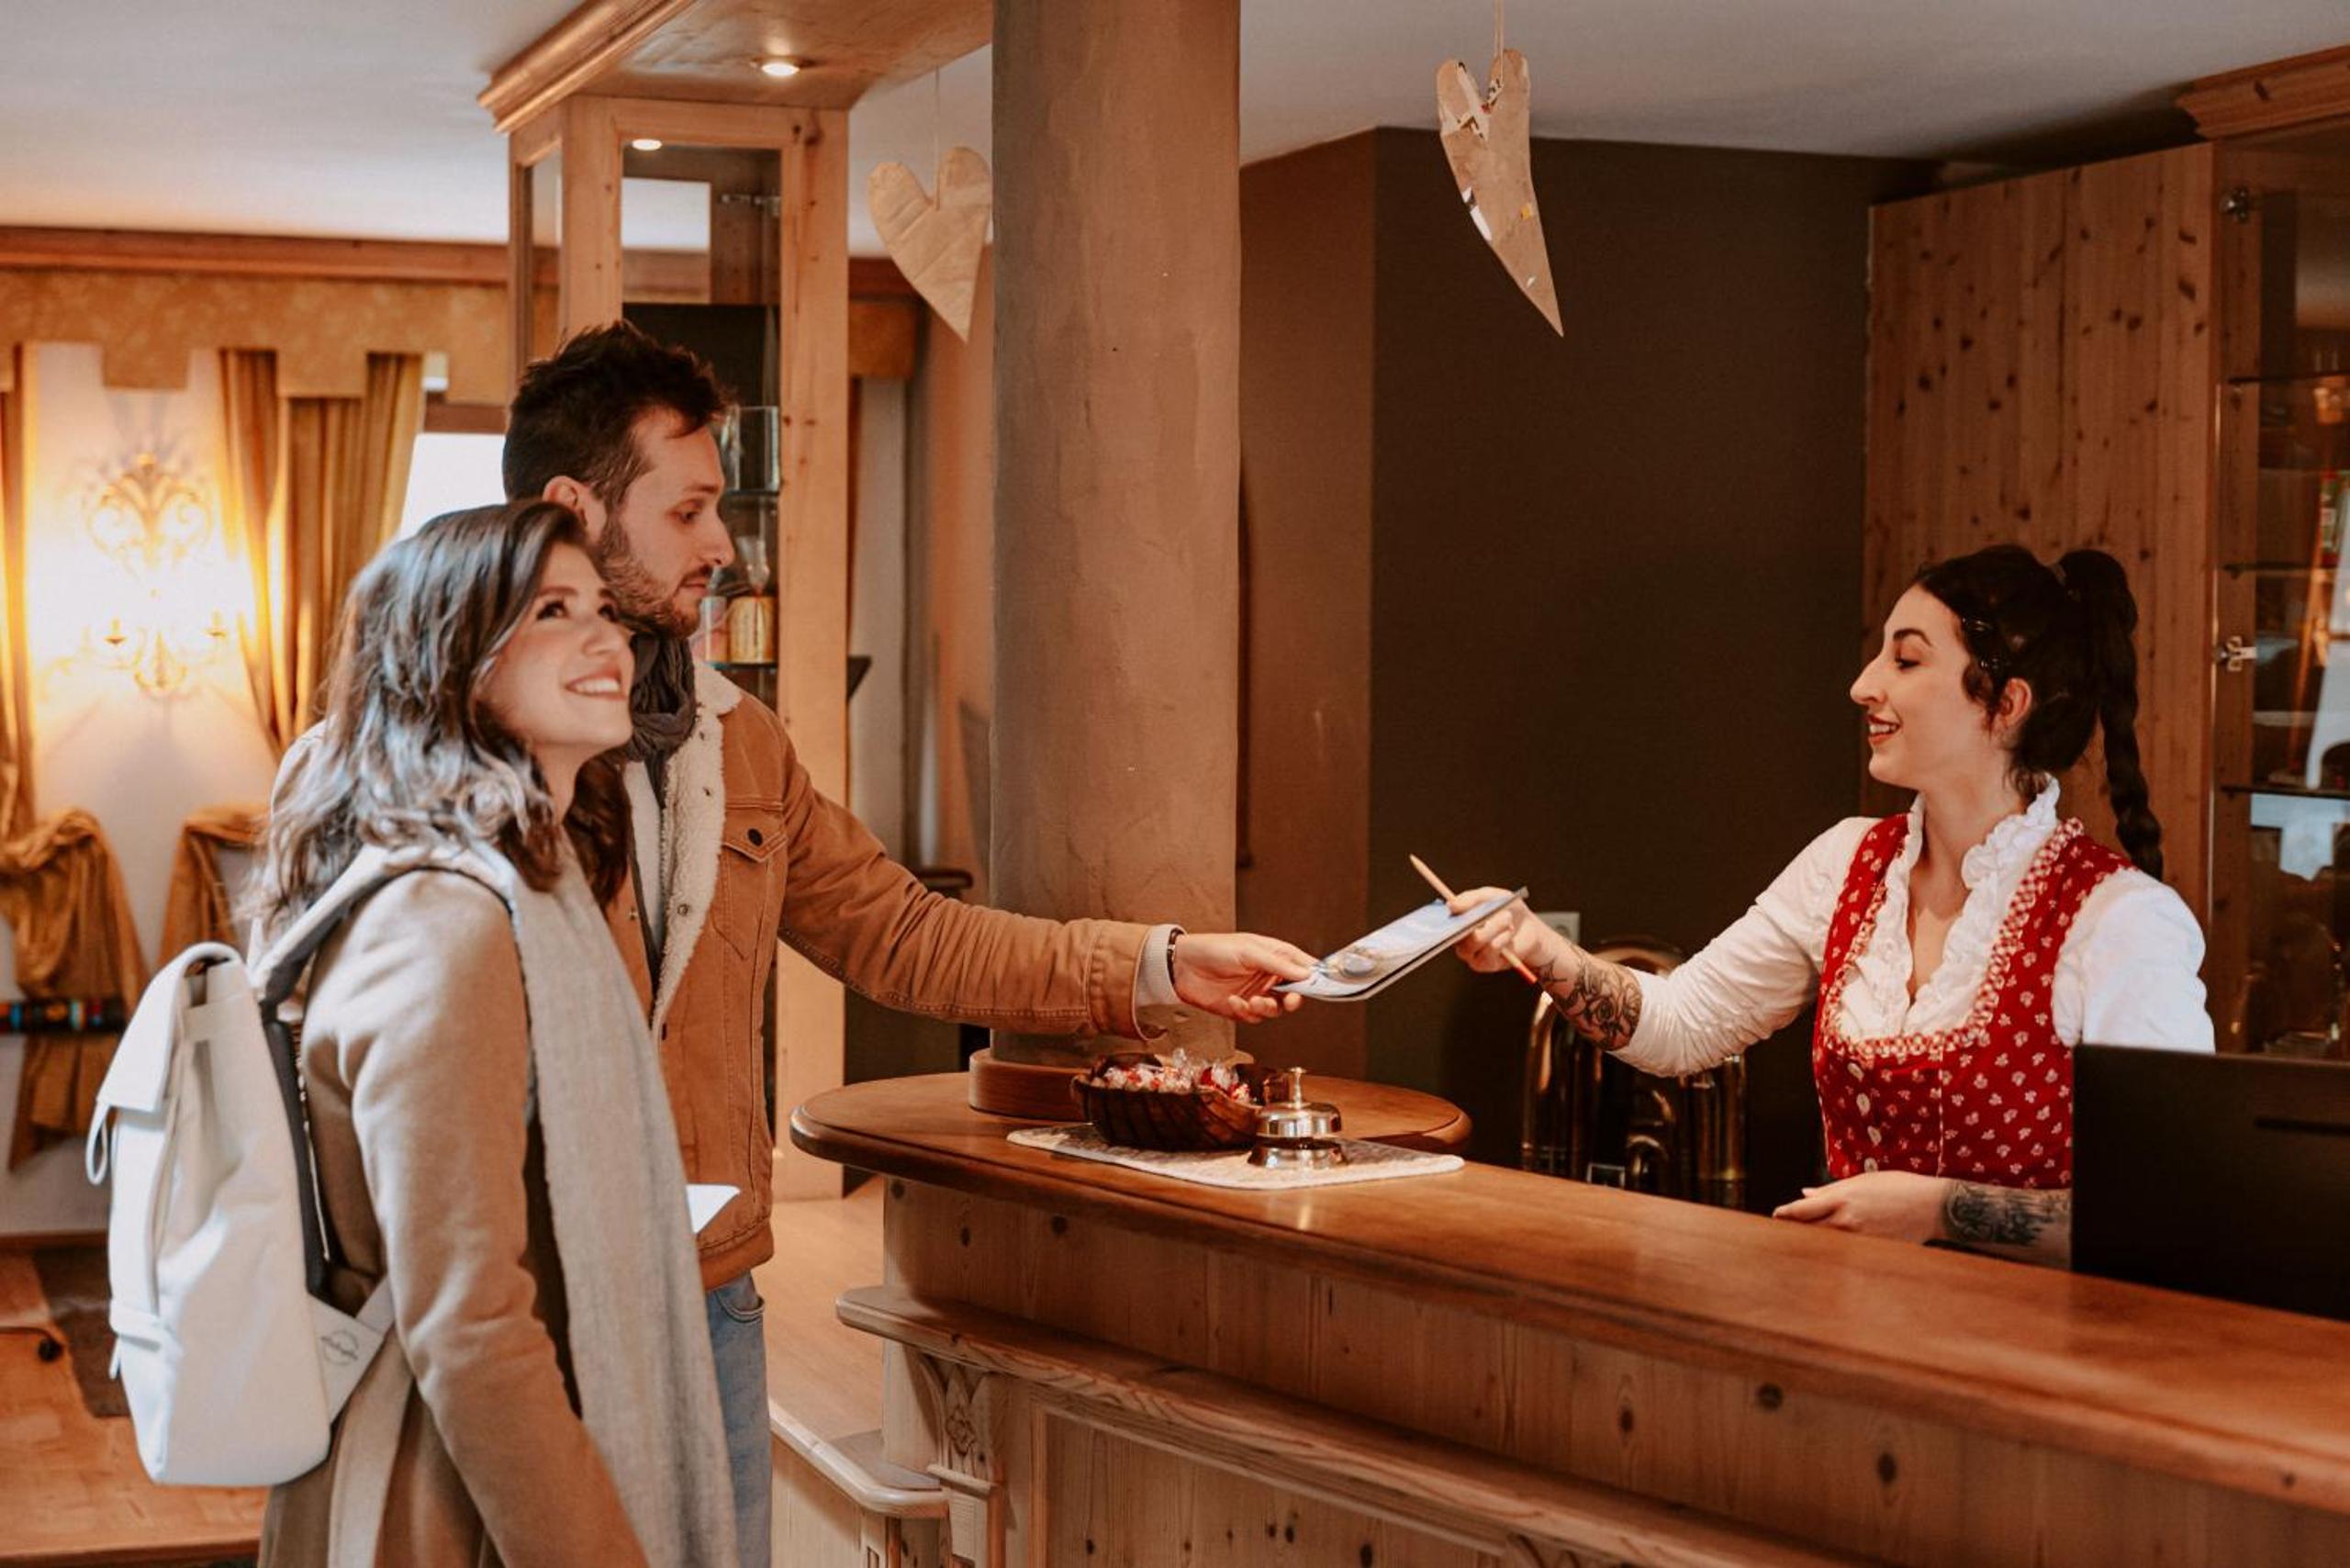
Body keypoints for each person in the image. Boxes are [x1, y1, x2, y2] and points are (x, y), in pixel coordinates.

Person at [501, 321, 1317, 1563]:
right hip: (532, 1301)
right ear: (574, 510)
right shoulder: (454, 757)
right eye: (689, 511)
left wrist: (1161, 964)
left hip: (706, 1291)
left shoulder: (739, 739)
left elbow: (905, 934)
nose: (723, 548)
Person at [1449, 544, 2212, 1268]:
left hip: (2029, 1339)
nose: (1863, 685)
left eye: (1906, 660)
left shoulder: (2117, 920)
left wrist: (1940, 1209)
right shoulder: (1849, 862)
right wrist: (1537, 945)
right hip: (1851, 1313)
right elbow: (1685, 1025)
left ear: (2005, 703)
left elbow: (2171, 1211)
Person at [253, 500, 733, 1565]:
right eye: (552, 611)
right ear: (453, 662)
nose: (605, 639)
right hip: (445, 1501)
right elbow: (468, 1328)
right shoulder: (446, 921)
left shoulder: (530, 886)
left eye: (602, 608)